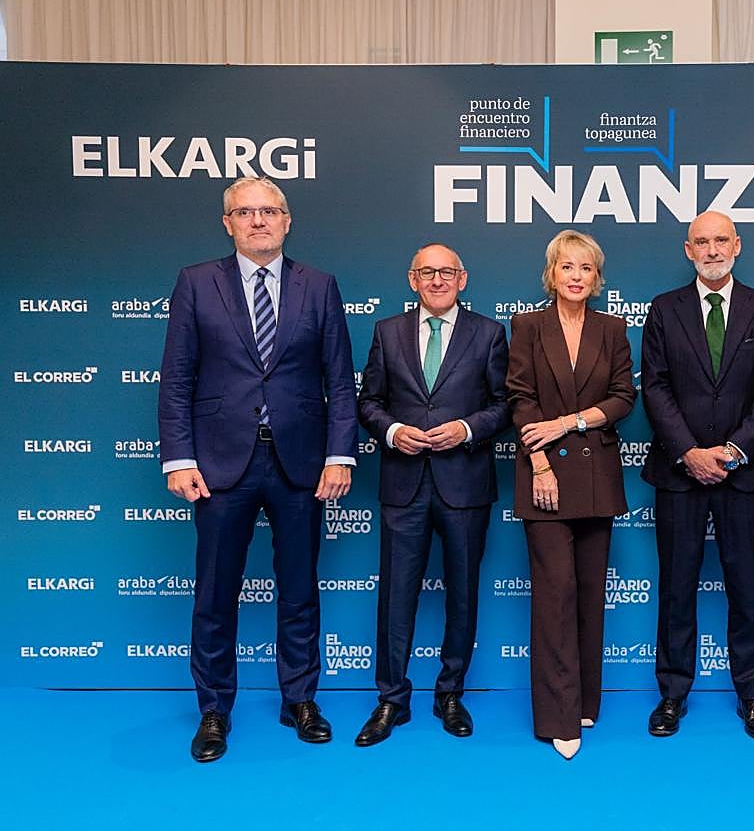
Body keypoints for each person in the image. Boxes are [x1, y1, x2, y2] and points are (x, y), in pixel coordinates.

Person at [158, 176, 357, 763]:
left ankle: (300, 699)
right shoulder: (197, 283)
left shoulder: (318, 286)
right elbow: (176, 381)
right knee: (216, 592)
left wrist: (339, 454)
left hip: (300, 461)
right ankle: (215, 710)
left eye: (269, 210)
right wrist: (179, 458)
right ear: (228, 223)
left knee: (299, 589)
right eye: (245, 212)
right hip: (220, 465)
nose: (258, 220)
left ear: (287, 220)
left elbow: (340, 382)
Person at [354, 244, 510, 746]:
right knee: (396, 596)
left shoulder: (489, 333)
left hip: (464, 483)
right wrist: (393, 430)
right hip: (404, 484)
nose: (437, 280)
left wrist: (466, 428)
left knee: (462, 595)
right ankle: (391, 700)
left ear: (463, 279)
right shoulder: (387, 332)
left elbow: (504, 406)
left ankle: (450, 694)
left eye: (447, 272)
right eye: (427, 272)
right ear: (412, 278)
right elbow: (368, 402)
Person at [641, 210, 754, 740]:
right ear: (687, 250)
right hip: (680, 473)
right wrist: (690, 452)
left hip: (741, 473)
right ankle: (672, 695)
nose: (712, 248)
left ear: (738, 245)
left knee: (746, 587)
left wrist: (732, 451)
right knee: (677, 587)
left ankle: (751, 696)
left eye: (721, 239)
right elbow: (654, 388)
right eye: (701, 241)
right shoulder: (664, 309)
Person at [506, 230, 635, 760]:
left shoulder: (612, 328)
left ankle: (584, 699)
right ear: (551, 275)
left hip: (597, 478)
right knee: (555, 597)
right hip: (545, 476)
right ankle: (559, 718)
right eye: (567, 267)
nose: (576, 276)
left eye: (586, 268)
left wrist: (569, 423)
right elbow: (519, 398)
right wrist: (539, 463)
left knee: (587, 596)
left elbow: (624, 397)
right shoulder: (528, 326)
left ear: (597, 278)